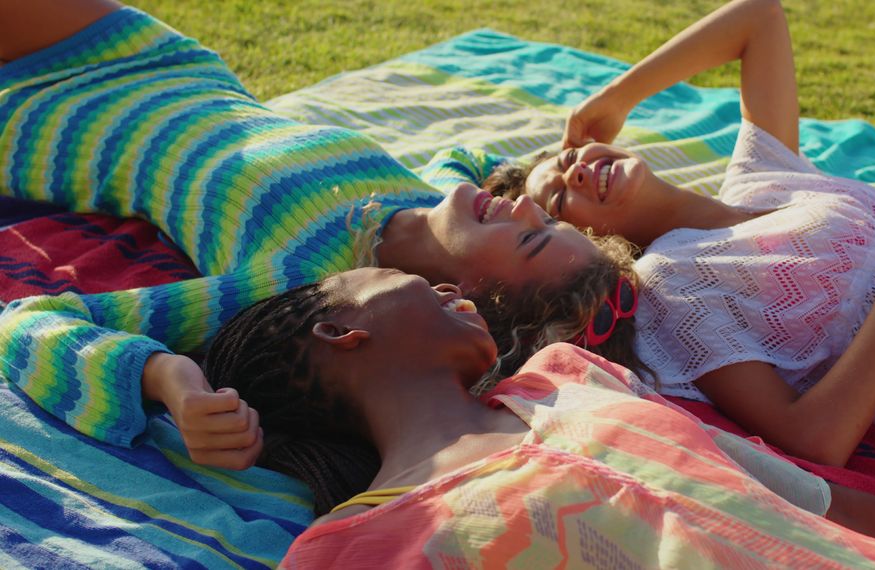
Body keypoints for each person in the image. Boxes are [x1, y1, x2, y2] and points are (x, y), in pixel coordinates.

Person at [483, 0, 875, 521]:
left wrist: (616, 96)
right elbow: (813, 442)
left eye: (568, 160)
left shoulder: (762, 176)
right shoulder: (673, 286)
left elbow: (759, 16)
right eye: (562, 198)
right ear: (582, 241)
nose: (579, 170)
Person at [0, 0, 633, 471]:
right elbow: (469, 155)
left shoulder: (307, 285)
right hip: (168, 60)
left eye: (532, 239)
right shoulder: (431, 195)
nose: (524, 207)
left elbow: (31, 322)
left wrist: (166, 377)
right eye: (548, 218)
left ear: (463, 295)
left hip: (65, 125)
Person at [204, 266, 875, 569]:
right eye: (394, 276)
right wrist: (175, 384)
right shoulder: (355, 549)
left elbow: (819, 501)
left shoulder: (569, 376)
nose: (454, 289)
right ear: (340, 330)